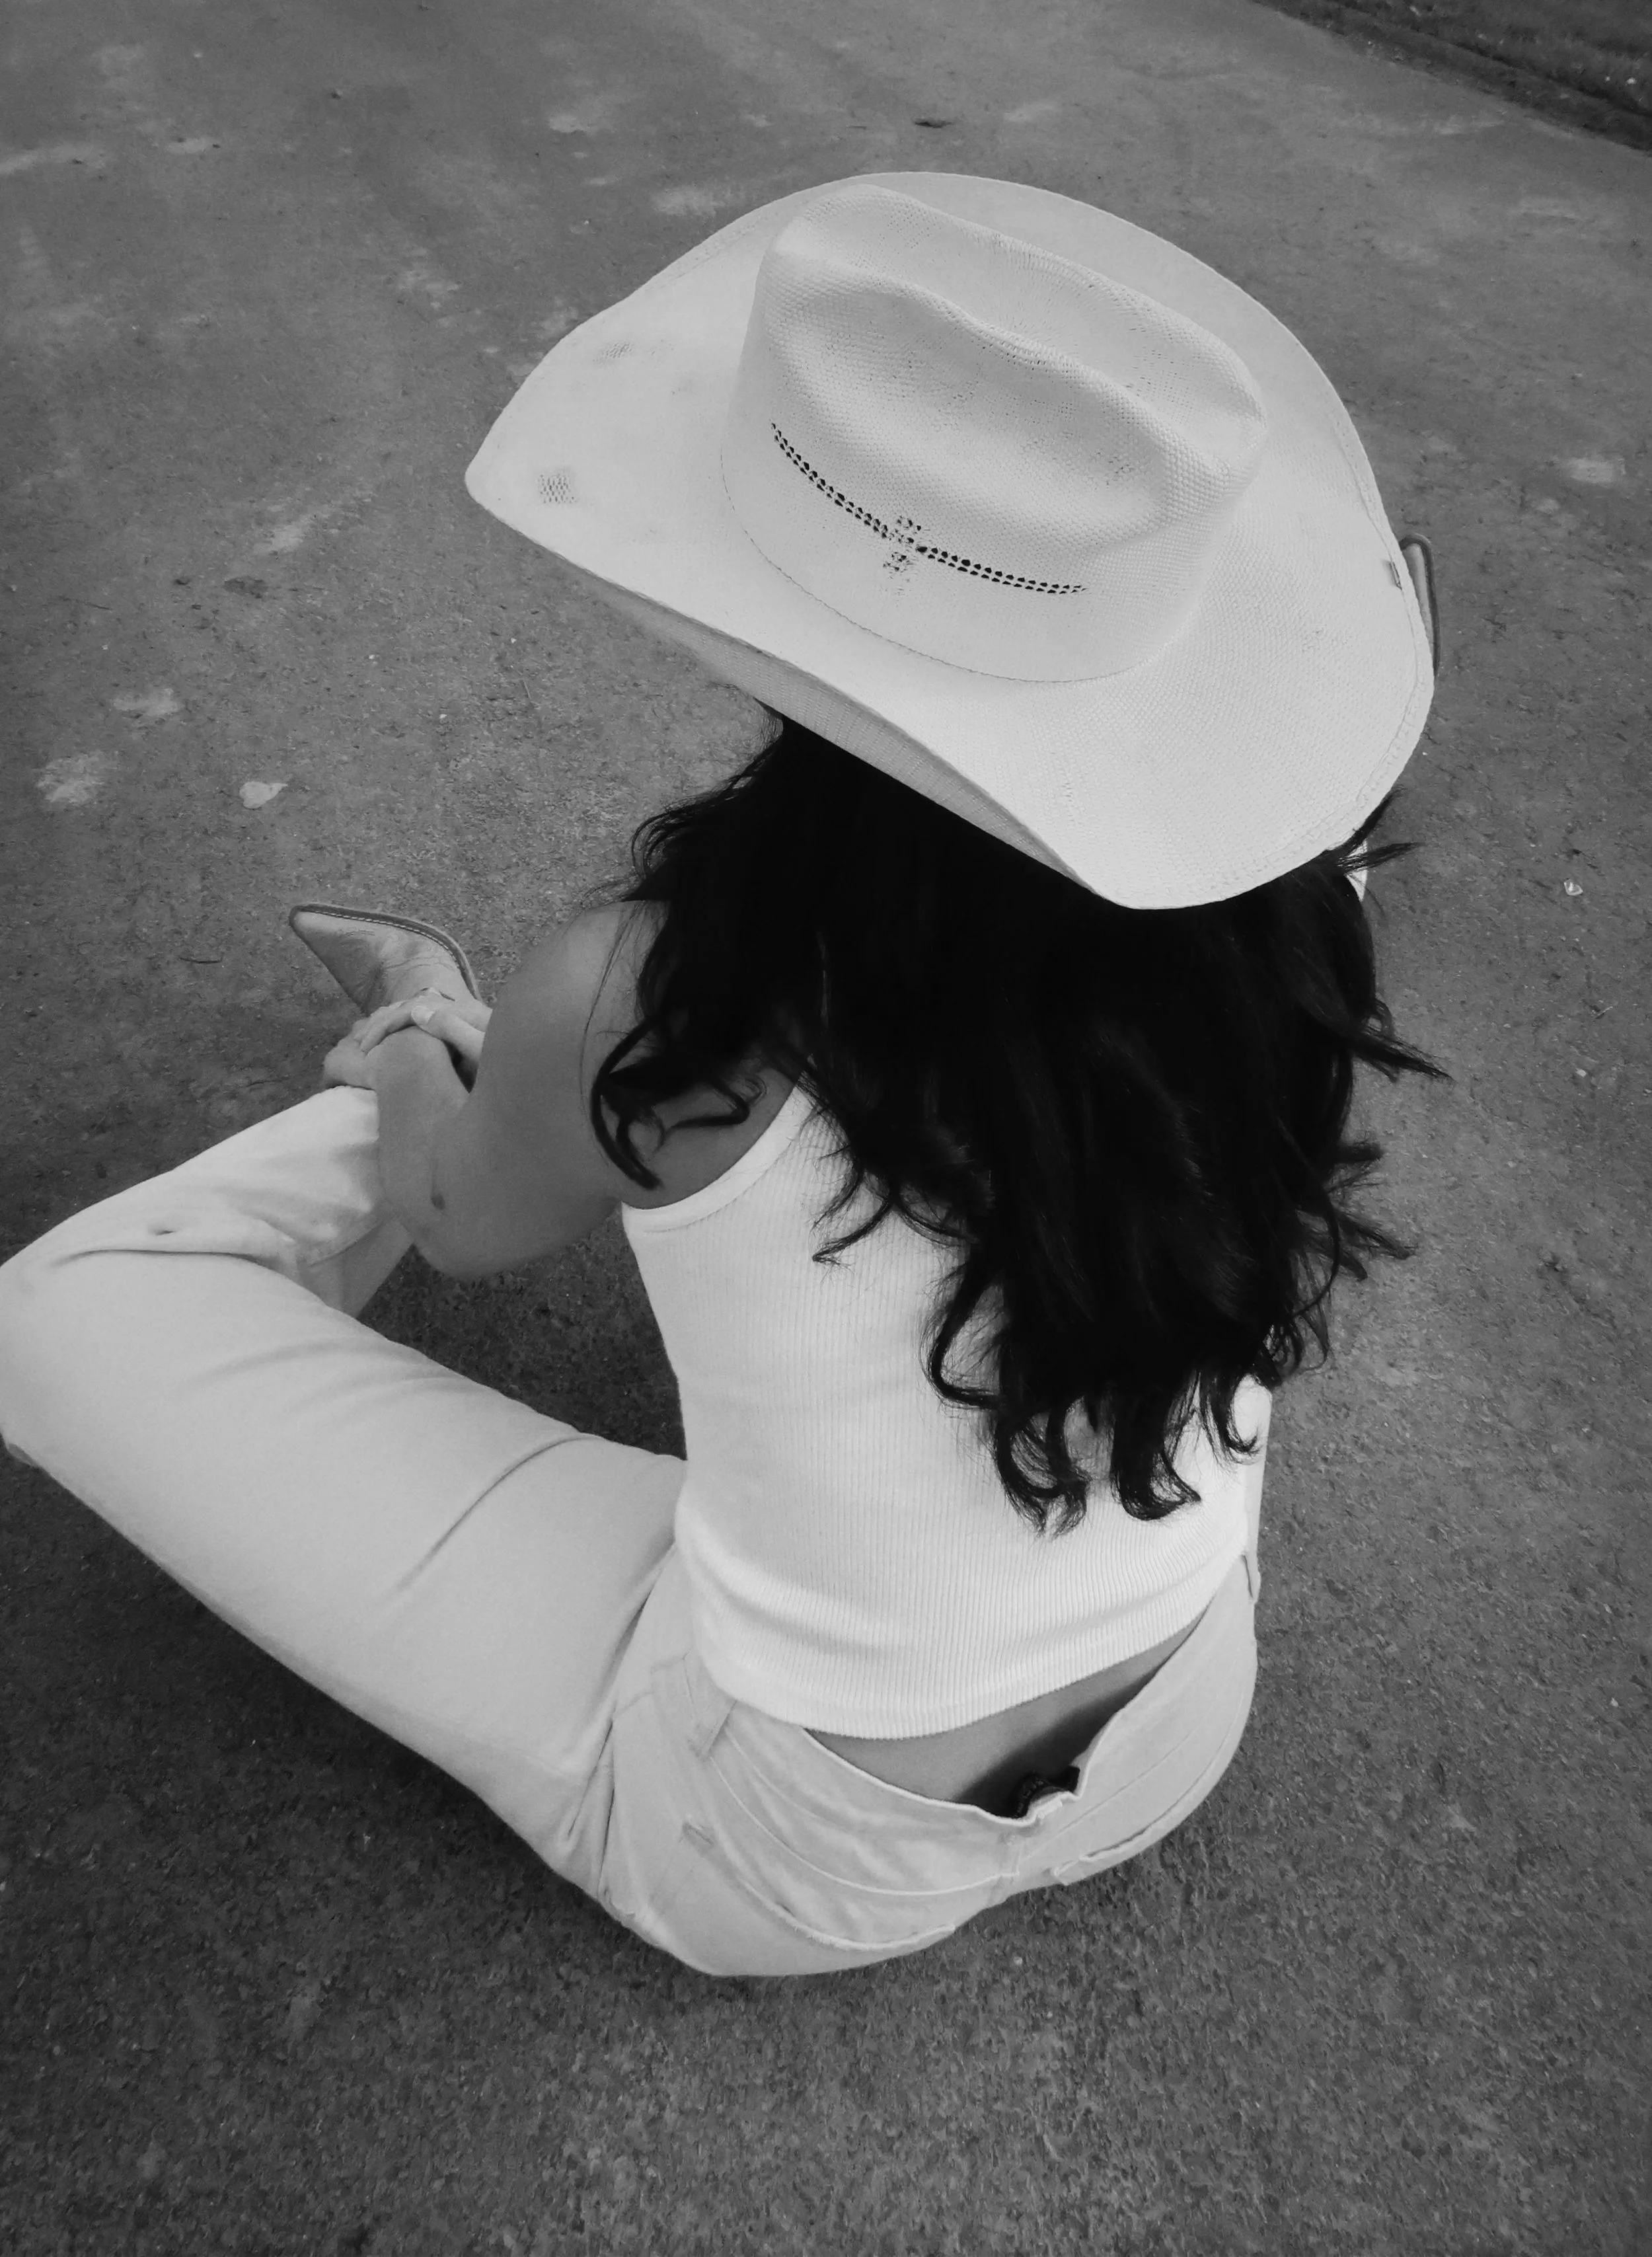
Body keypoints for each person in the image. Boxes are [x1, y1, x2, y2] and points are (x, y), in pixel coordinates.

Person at [0, 174, 1440, 1977]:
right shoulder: (1294, 919)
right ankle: (496, 1074)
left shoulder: (665, 992)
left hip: (795, 1851)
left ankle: (436, 1038)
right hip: (1181, 1703)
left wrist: (428, 1054)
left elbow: (453, 1227)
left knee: (59, 1309)